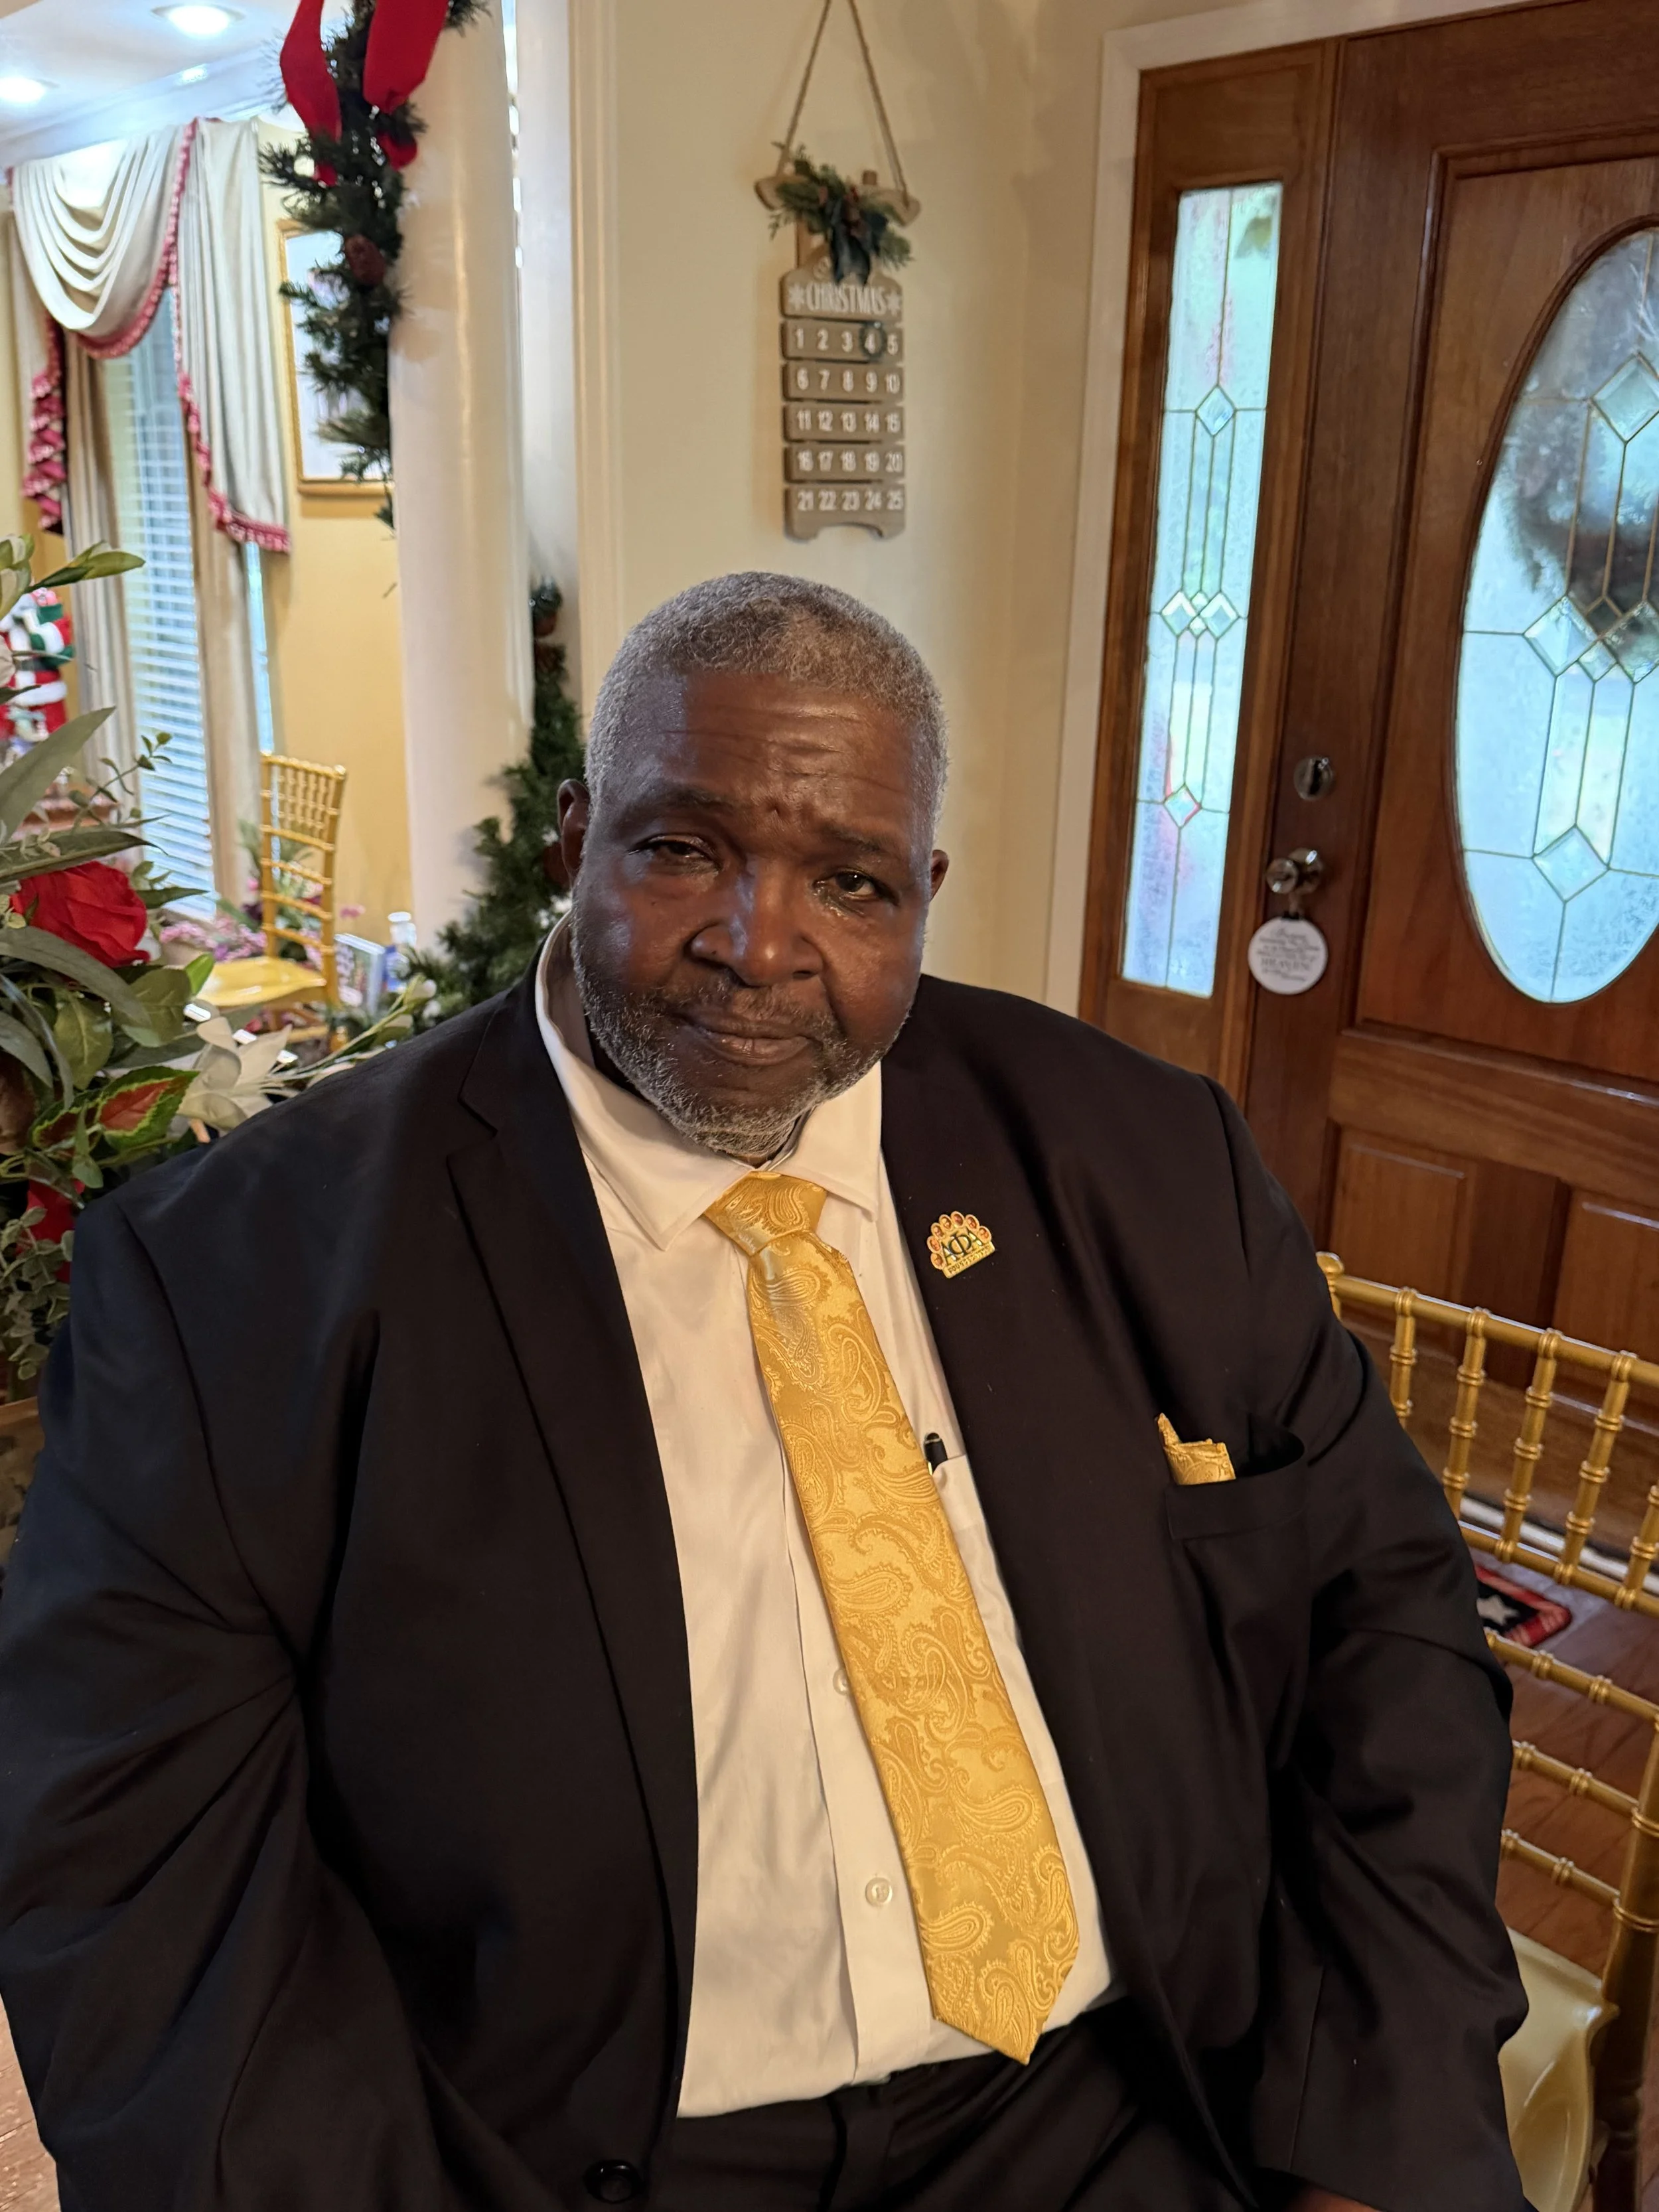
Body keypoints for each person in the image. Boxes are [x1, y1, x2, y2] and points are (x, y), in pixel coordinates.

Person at [0, 574, 1525, 2211]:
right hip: (583, 2157)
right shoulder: (240, 1276)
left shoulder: (1143, 1161)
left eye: (849, 884)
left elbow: (1393, 1627)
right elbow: (143, 1882)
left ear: (921, 897)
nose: (758, 946)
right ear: (573, 833)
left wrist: (1368, 2145)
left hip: (1116, 2098)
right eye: (681, 849)